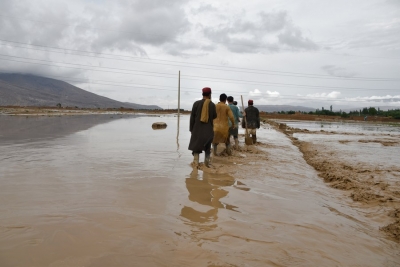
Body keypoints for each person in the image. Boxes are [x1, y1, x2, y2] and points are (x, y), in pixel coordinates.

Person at [188, 87, 217, 167]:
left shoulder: (196, 104)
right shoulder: (212, 105)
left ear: (202, 94)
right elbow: (214, 116)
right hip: (208, 131)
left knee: (196, 148)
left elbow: (192, 118)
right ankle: (206, 165)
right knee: (207, 149)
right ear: (210, 94)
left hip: (197, 130)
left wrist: (191, 129)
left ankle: (195, 165)